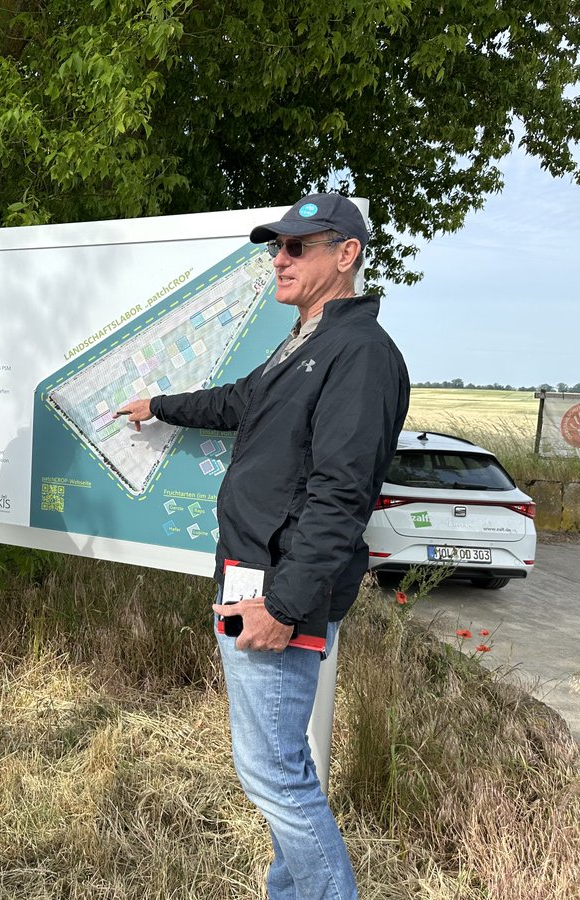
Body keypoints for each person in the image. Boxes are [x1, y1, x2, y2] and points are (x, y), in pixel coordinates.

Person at [115, 194, 409, 899]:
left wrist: (283, 605)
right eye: (276, 247)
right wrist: (159, 407)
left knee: (274, 774)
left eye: (296, 246)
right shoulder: (306, 342)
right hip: (252, 579)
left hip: (279, 594)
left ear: (347, 254)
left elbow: (341, 496)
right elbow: (241, 400)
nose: (279, 259)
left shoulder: (360, 354)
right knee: (277, 770)